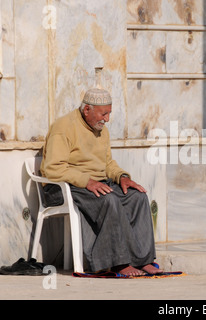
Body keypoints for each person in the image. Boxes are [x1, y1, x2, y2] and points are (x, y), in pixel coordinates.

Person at [40, 87, 162, 276]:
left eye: (109, 113)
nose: (106, 119)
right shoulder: (63, 127)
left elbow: (107, 164)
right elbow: (53, 168)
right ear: (87, 110)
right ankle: (118, 263)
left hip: (95, 184)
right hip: (63, 187)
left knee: (137, 197)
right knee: (109, 200)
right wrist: (86, 181)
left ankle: (143, 260)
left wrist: (122, 177)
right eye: (103, 114)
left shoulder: (101, 130)